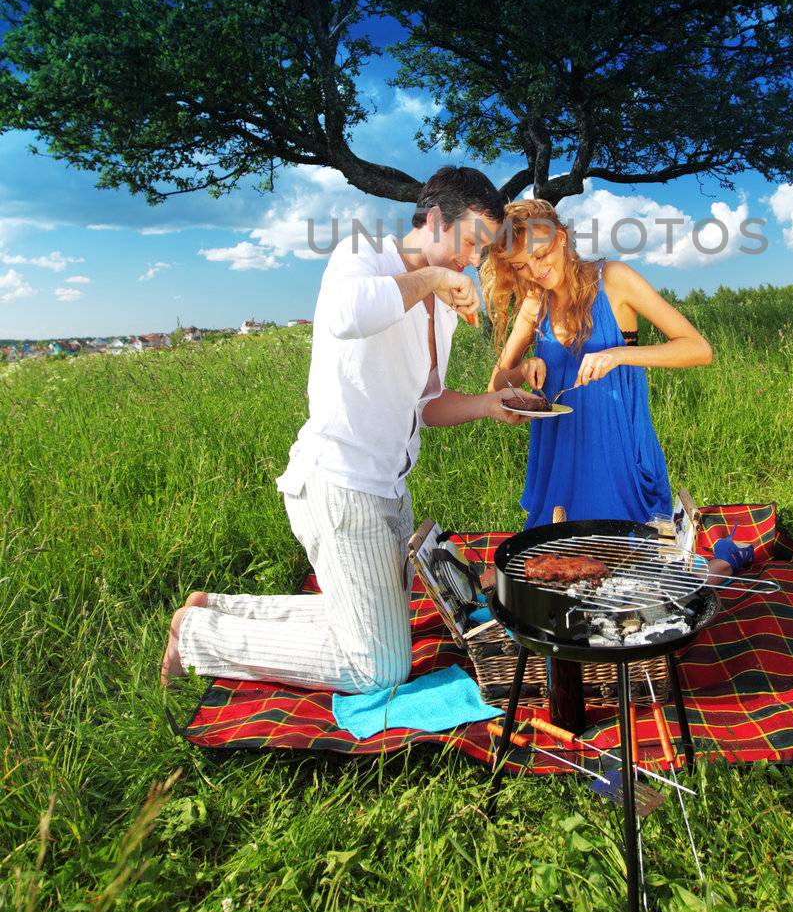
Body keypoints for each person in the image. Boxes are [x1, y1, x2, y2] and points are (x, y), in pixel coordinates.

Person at [160, 166, 522, 692]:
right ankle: (198, 635)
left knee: (379, 629)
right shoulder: (364, 253)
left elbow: (427, 404)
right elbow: (345, 315)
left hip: (390, 490)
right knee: (377, 668)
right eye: (470, 243)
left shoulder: (441, 309)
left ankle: (216, 608)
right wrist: (437, 279)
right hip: (340, 484)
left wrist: (492, 403)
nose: (473, 260)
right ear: (437, 219)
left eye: (482, 251)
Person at [483, 199, 713, 528]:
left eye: (540, 255)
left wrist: (618, 355)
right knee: (558, 564)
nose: (536, 271)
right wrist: (522, 370)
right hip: (559, 460)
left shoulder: (614, 279)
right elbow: (496, 385)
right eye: (521, 265)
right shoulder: (536, 302)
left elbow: (699, 349)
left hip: (617, 455)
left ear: (560, 238)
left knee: (628, 560)